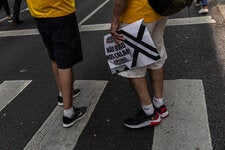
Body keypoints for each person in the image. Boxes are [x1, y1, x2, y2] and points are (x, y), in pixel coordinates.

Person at [26, 0, 87, 128]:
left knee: (54, 56)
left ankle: (62, 94)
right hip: (60, 11)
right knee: (65, 61)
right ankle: (69, 113)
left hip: (38, 11)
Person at [110, 0, 169, 129]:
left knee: (134, 67)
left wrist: (115, 20)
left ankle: (149, 112)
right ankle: (159, 104)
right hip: (160, 11)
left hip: (136, 16)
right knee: (156, 59)